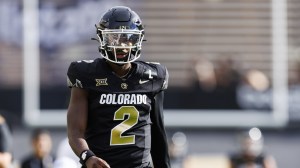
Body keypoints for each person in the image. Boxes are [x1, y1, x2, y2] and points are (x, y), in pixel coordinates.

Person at [66, 6, 171, 168]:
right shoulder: (85, 74)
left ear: (137, 40)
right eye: (114, 38)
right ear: (102, 39)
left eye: (128, 38)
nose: (121, 45)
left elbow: (158, 132)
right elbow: (75, 131)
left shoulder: (153, 76)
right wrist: (87, 157)